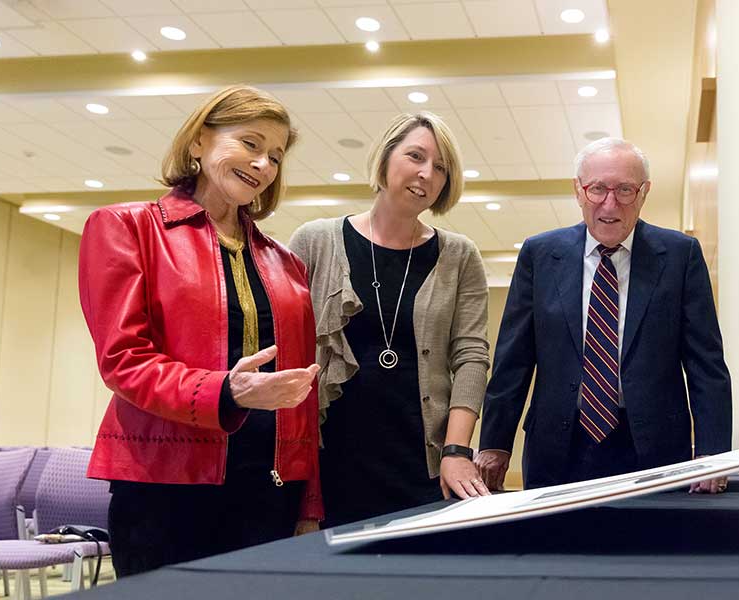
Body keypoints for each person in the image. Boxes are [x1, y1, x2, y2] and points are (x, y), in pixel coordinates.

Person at [78, 85, 322, 577]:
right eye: (250, 144)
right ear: (198, 142)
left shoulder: (287, 263)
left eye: (275, 156)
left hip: (269, 491)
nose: (264, 165)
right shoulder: (127, 228)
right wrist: (226, 390)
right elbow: (124, 360)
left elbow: (302, 396)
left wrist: (310, 500)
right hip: (163, 487)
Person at [476, 137, 732, 494]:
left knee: (651, 549)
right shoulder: (540, 254)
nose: (609, 204)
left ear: (644, 193)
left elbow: (706, 364)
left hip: (654, 449)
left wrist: (713, 453)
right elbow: (513, 359)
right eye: (597, 189)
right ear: (578, 191)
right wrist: (494, 441)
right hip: (558, 445)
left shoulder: (679, 256)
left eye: (625, 189)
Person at [289, 112, 490, 527]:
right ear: (384, 159)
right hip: (330, 462)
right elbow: (288, 347)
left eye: (440, 168)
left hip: (421, 464)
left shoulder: (459, 255)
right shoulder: (315, 241)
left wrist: (456, 451)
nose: (425, 173)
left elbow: (471, 356)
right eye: (415, 156)